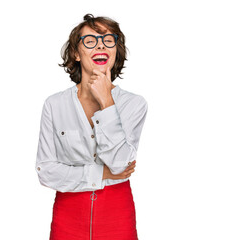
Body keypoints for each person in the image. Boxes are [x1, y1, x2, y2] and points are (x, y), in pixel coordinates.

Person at [35, 13, 148, 240]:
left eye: (108, 40)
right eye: (90, 41)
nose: (101, 46)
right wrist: (102, 173)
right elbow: (46, 171)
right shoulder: (54, 105)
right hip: (68, 216)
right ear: (76, 53)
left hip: (117, 215)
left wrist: (107, 102)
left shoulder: (134, 104)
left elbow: (120, 164)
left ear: (116, 51)